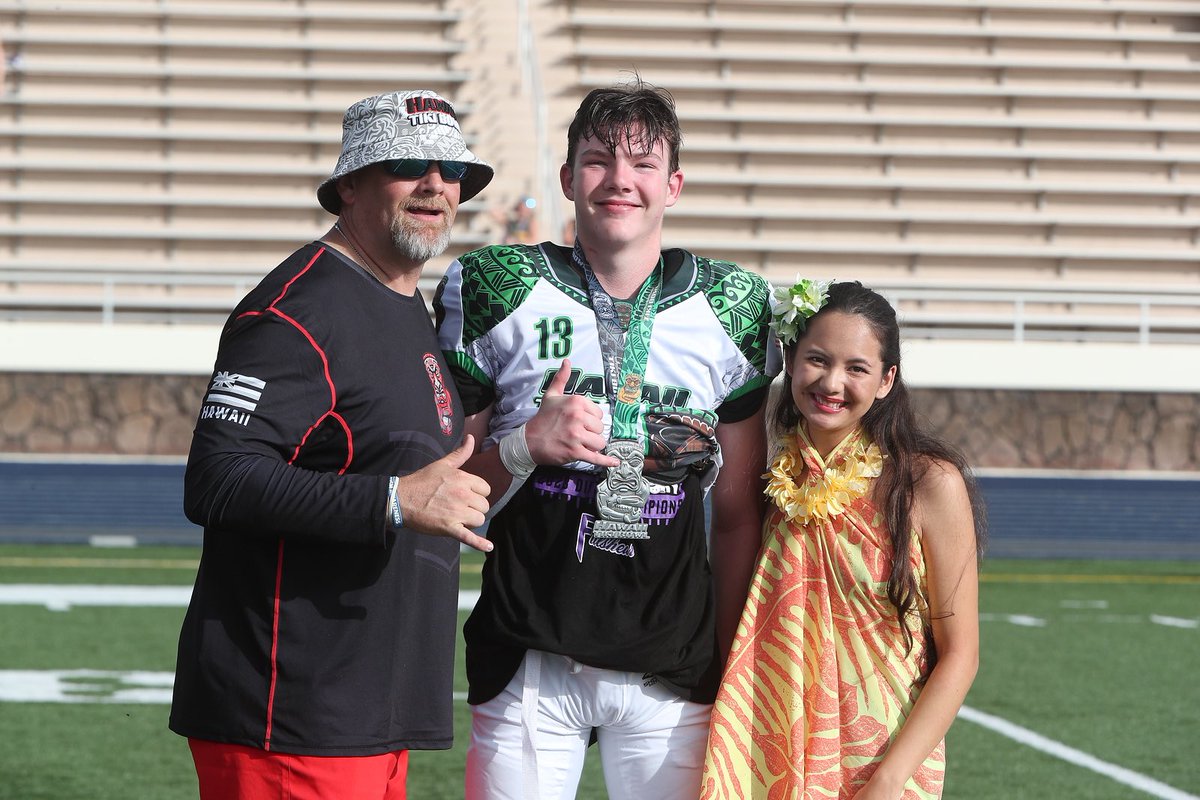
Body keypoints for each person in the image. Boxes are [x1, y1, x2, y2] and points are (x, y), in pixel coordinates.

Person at [434, 79, 781, 800]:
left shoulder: (733, 303)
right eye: (597, 161)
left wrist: (729, 659)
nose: (620, 180)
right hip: (532, 645)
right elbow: (449, 494)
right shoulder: (497, 283)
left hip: (672, 655)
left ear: (674, 184)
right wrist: (527, 443)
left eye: (643, 164)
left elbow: (742, 514)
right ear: (567, 179)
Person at [169, 89, 495, 800]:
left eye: (451, 168)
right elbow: (217, 478)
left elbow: (434, 482)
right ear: (350, 183)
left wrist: (527, 444)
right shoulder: (296, 309)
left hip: (365, 709)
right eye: (408, 164)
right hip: (291, 714)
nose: (437, 183)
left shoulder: (409, 303)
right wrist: (392, 499)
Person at [701, 280, 987, 799]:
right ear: (789, 361)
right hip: (770, 747)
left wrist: (889, 779)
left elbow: (961, 655)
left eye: (857, 368)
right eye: (817, 360)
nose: (832, 382)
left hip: (882, 756)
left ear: (886, 380)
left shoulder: (928, 484)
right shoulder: (770, 481)